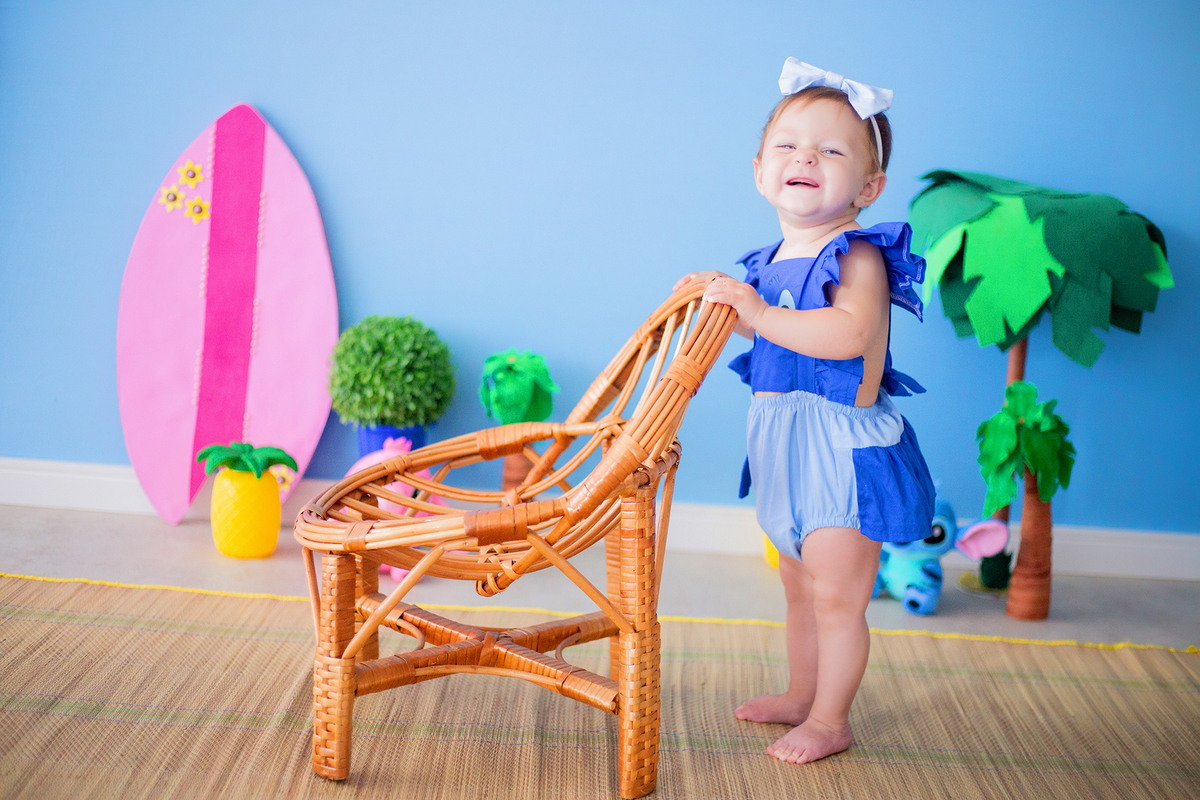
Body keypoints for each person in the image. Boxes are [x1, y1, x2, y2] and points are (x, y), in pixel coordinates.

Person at [675, 59, 935, 765]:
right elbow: (772, 332)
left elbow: (847, 334)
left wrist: (758, 312)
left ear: (869, 187)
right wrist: (725, 307)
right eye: (788, 146)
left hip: (839, 450)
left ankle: (830, 719)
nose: (805, 158)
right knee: (796, 589)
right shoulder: (769, 259)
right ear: (761, 172)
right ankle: (801, 693)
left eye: (831, 150)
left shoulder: (857, 255)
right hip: (782, 443)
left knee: (836, 598)